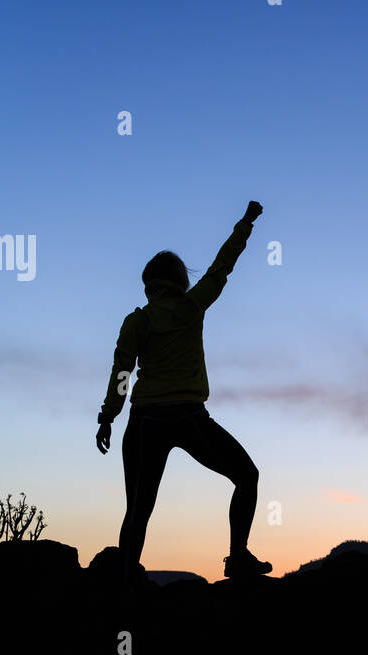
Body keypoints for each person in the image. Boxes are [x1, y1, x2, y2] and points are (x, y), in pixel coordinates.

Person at [96, 202, 272, 585]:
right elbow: (223, 266)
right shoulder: (194, 306)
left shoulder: (137, 320)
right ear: (180, 281)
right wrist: (245, 223)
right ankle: (238, 558)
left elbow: (123, 373)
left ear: (149, 285)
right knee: (246, 476)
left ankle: (124, 588)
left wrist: (108, 416)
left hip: (145, 423)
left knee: (138, 510)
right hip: (191, 418)